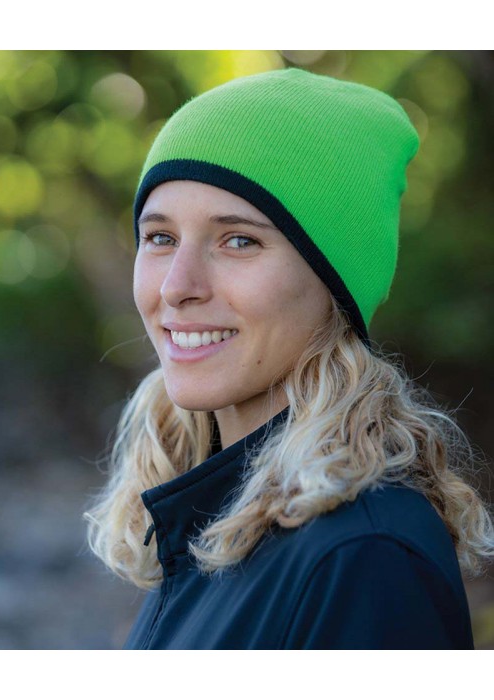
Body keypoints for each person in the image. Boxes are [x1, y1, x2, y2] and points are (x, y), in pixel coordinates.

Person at [84, 67, 494, 649]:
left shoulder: (364, 556)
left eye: (239, 240)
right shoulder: (203, 518)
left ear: (333, 283)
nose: (176, 286)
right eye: (160, 238)